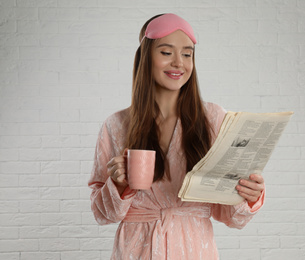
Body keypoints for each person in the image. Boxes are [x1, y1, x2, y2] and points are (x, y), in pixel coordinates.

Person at [88, 13, 265, 260]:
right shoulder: (116, 126)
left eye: (187, 54)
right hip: (136, 250)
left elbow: (232, 217)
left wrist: (248, 195)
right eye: (166, 52)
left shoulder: (213, 119)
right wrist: (118, 185)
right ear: (146, 57)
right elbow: (102, 214)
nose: (178, 63)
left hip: (194, 248)